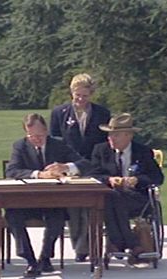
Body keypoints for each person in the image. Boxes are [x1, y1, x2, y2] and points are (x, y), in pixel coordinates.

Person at [5, 113, 91, 277]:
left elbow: (85, 164)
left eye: (39, 135)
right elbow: (12, 171)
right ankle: (30, 260)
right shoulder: (20, 146)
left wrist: (66, 167)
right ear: (26, 133)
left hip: (53, 200)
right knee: (12, 215)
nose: (36, 139)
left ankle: (45, 258)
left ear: (46, 130)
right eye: (31, 136)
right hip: (26, 201)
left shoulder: (58, 144)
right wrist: (38, 174)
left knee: (57, 217)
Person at [49, 73, 111, 262]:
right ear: (71, 93)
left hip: (94, 166)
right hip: (68, 168)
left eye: (85, 96)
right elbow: (55, 141)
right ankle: (81, 247)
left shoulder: (102, 114)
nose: (80, 100)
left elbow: (105, 144)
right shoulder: (59, 113)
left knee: (91, 205)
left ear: (91, 94)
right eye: (77, 95)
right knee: (75, 205)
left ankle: (92, 246)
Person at [90, 113, 164, 261]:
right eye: (110, 134)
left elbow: (157, 177)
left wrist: (136, 180)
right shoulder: (101, 150)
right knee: (112, 197)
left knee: (112, 200)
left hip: (137, 198)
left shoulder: (142, 152)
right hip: (111, 195)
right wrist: (109, 179)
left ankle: (118, 243)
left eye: (115, 135)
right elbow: (93, 174)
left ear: (128, 136)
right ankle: (133, 244)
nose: (110, 138)